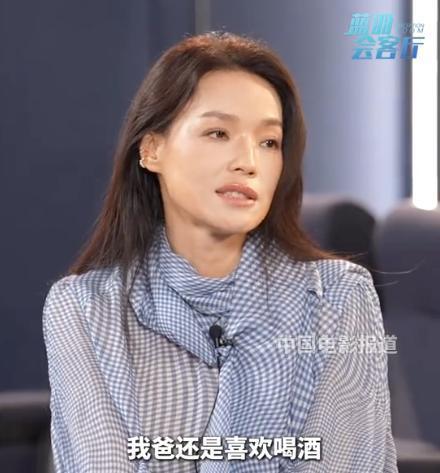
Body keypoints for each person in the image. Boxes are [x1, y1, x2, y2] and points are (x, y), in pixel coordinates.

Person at [42, 31, 398, 472]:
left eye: (269, 142)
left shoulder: (339, 297)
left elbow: (343, 462)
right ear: (152, 149)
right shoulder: (84, 308)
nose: (248, 161)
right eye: (218, 133)